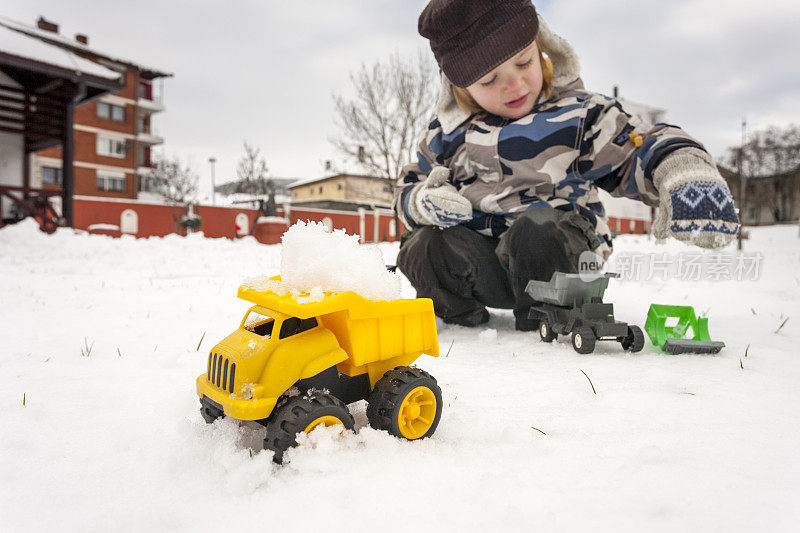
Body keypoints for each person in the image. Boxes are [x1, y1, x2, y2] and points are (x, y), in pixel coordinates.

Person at [393, 0, 740, 329]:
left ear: (542, 47)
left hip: (562, 261)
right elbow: (410, 183)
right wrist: (421, 201)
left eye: (524, 63)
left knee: (536, 228)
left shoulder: (578, 115)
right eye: (489, 80)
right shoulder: (445, 136)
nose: (514, 84)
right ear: (459, 88)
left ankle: (551, 316)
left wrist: (678, 166)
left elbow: (637, 145)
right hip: (485, 267)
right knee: (423, 243)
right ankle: (460, 316)